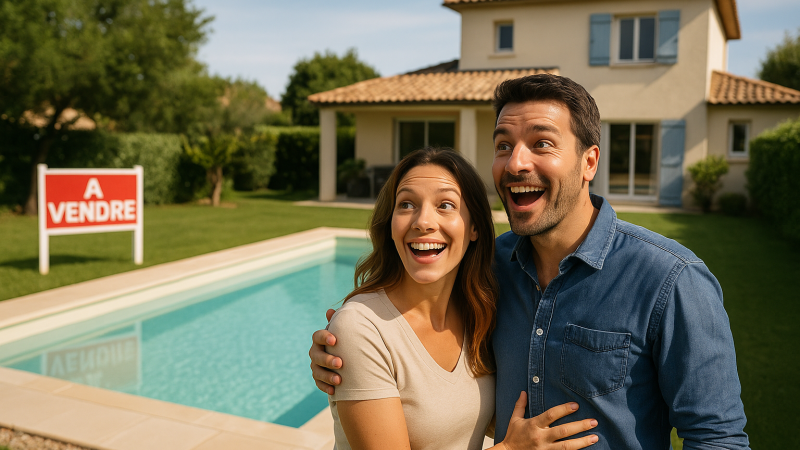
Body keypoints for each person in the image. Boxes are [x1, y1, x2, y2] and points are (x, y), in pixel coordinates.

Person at [310, 74, 750, 449]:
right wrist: (346, 347)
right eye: (504, 145)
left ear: (588, 161)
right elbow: (404, 330)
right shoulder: (488, 269)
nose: (516, 162)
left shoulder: (670, 280)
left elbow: (717, 437)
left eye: (542, 143)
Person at [324, 146, 599, 450]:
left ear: (474, 228)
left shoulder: (478, 311)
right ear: (390, 225)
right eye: (406, 205)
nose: (422, 221)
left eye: (445, 205)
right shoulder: (361, 327)